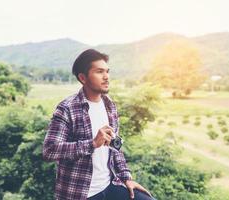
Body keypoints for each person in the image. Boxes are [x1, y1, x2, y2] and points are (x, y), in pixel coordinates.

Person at [43, 49, 155, 200]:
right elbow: (50, 150)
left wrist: (126, 178)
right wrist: (93, 143)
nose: (106, 77)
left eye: (107, 71)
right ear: (83, 78)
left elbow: (115, 148)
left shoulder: (110, 106)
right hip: (79, 193)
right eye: (99, 72)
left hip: (110, 186)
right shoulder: (67, 108)